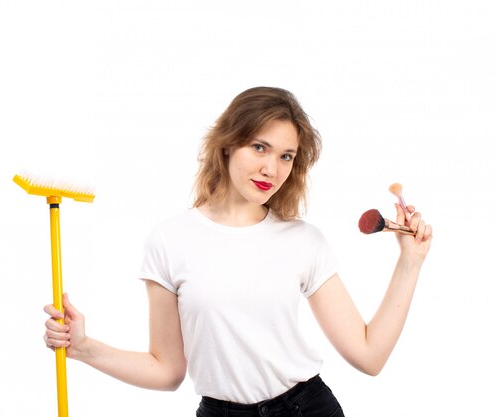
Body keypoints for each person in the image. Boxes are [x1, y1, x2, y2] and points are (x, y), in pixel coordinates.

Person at [43, 87, 433, 417]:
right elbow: (167, 372)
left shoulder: (303, 240)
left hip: (306, 409)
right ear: (228, 145)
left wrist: (409, 262)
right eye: (259, 147)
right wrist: (84, 348)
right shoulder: (169, 240)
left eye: (286, 156)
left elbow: (369, 357)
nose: (271, 169)